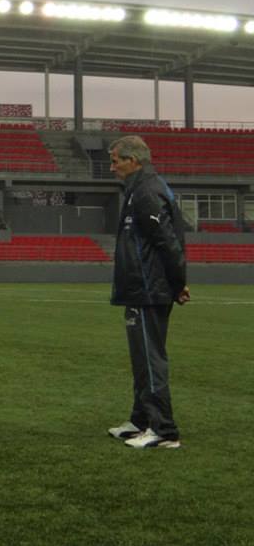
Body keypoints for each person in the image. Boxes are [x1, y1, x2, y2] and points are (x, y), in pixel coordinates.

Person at [106, 135, 189, 450]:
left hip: (148, 289)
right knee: (142, 359)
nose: (112, 167)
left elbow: (169, 241)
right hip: (141, 287)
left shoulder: (147, 192)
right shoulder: (138, 190)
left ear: (134, 160)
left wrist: (178, 283)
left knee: (150, 359)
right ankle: (140, 420)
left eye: (116, 161)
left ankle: (164, 430)